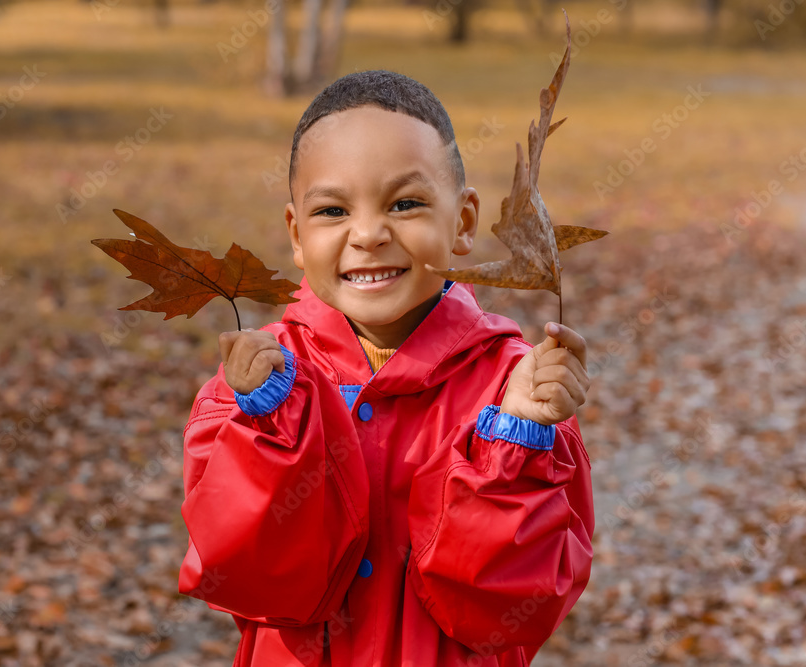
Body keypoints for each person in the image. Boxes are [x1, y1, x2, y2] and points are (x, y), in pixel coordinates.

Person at [178, 69, 594, 667]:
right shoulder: (256, 385)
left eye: (406, 203)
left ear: (464, 222)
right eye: (332, 210)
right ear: (296, 233)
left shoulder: (519, 394)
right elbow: (249, 579)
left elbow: (509, 614)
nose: (369, 234)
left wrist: (516, 441)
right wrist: (270, 427)